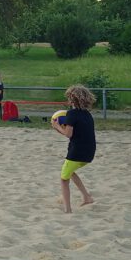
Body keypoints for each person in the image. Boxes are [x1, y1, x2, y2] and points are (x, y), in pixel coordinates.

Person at [51, 84, 97, 213]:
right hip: (89, 152)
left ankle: (68, 209)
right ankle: (87, 197)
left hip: (76, 152)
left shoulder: (71, 114)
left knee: (64, 179)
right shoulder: (87, 114)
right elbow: (76, 133)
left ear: (72, 100)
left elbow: (68, 134)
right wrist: (60, 129)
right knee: (70, 172)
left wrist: (56, 126)